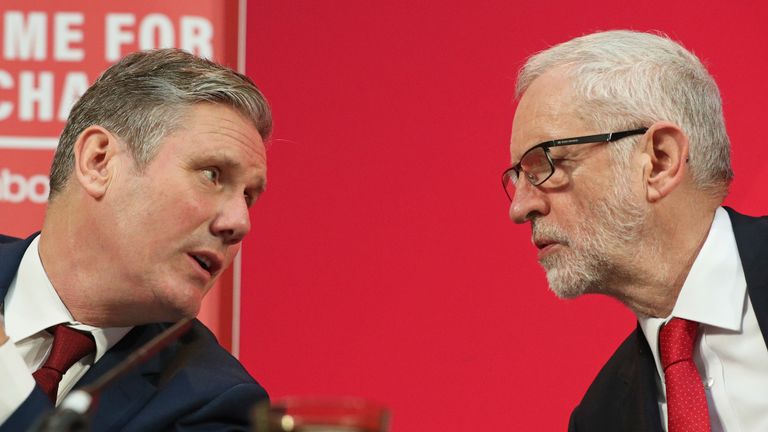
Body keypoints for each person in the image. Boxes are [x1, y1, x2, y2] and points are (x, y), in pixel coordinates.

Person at [502, 30, 768, 431]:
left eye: (545, 165)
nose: (520, 208)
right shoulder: (600, 418)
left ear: (660, 160)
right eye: (517, 176)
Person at [0, 48, 272, 431]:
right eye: (212, 175)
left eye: (248, 197)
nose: (240, 223)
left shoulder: (216, 404)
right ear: (99, 162)